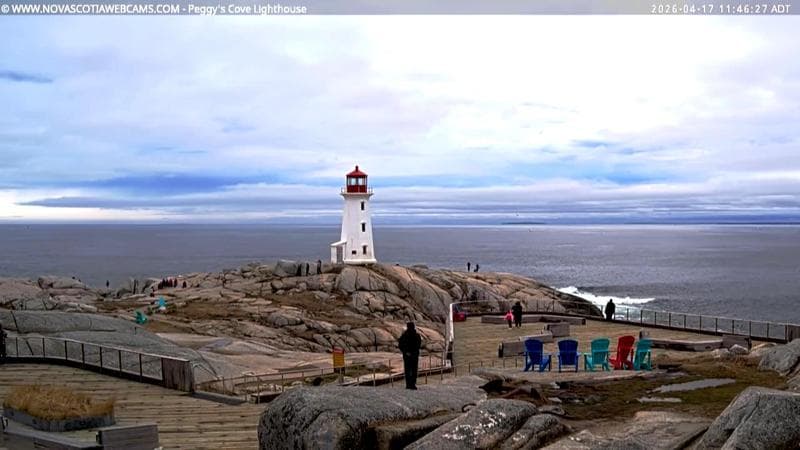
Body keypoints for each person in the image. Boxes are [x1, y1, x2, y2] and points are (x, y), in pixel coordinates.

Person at [398, 322, 422, 390]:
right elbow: (418, 345)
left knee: (407, 370)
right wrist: (413, 352)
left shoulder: (404, 335)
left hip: (407, 355)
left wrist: (405, 352)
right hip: (414, 355)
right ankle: (412, 384)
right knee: (414, 370)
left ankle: (408, 384)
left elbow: (400, 345)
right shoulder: (417, 335)